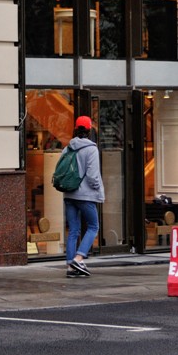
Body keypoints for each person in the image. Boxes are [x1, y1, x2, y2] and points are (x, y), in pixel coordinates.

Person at [63, 115, 105, 278]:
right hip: (86, 195)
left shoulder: (67, 148)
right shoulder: (91, 149)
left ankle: (70, 267)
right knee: (93, 227)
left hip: (69, 193)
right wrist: (97, 190)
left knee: (73, 230)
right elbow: (93, 176)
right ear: (89, 130)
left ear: (75, 129)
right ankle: (79, 258)